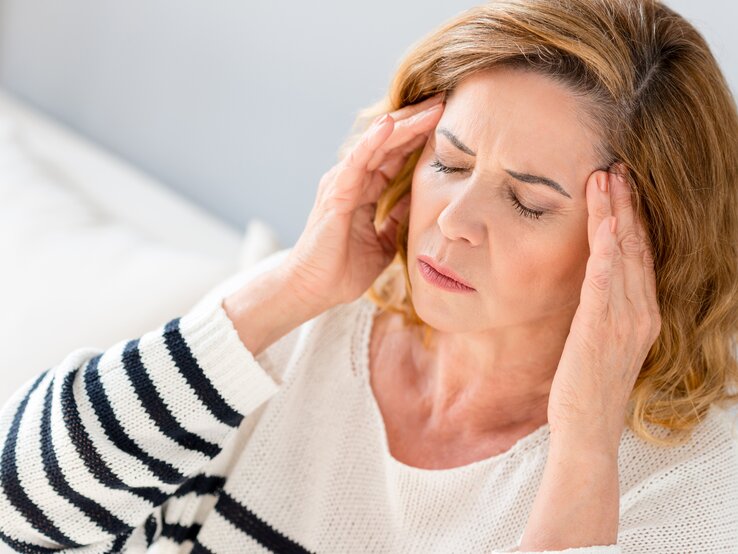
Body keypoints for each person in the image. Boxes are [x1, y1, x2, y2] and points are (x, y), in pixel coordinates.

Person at [1, 0, 737, 552]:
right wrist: (287, 289)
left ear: (650, 250)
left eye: (528, 201)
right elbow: (22, 511)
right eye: (447, 163)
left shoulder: (690, 486)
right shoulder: (306, 324)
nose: (453, 218)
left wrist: (581, 454)